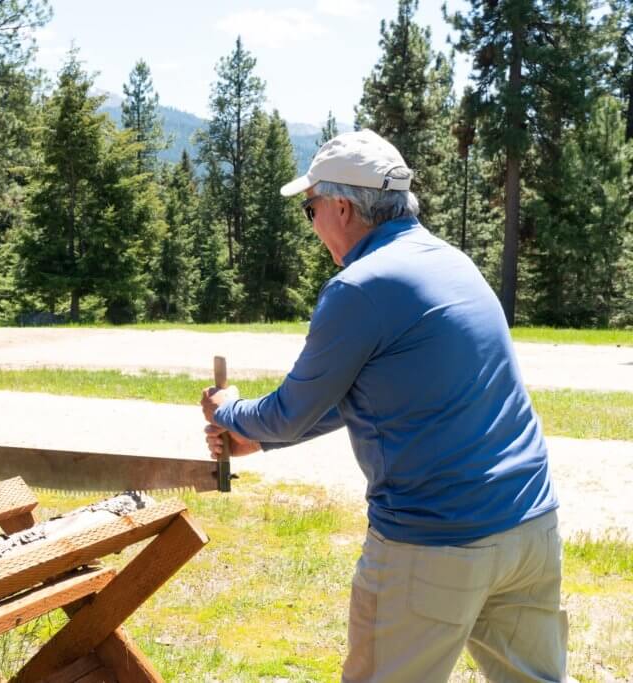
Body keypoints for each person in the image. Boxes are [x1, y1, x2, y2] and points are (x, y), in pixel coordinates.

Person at [200, 130, 567, 682]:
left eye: (311, 208)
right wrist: (263, 438)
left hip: (435, 541)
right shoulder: (451, 262)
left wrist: (230, 411)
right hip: (530, 527)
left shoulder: (359, 287)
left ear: (343, 207)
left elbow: (292, 409)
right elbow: (366, 393)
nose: (313, 223)